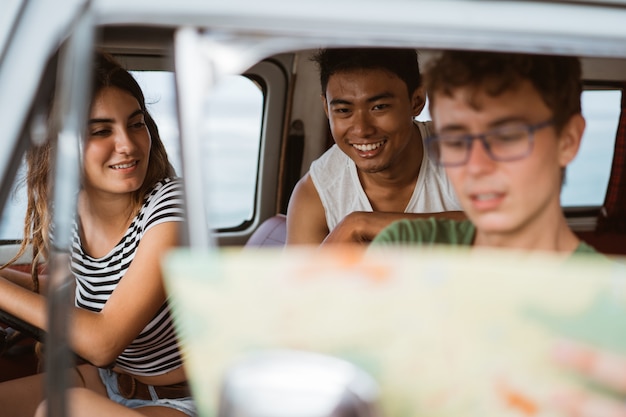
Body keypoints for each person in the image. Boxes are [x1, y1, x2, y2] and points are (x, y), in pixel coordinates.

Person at [0, 52, 194, 417]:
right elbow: (58, 297)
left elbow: (104, 341)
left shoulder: (172, 206)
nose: (128, 144)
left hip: (187, 398)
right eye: (101, 131)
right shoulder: (68, 214)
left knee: (61, 409)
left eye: (136, 124)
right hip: (106, 381)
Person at [372, 50, 595, 254]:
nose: (476, 166)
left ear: (568, 141)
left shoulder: (611, 290)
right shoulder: (401, 247)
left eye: (506, 137)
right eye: (456, 142)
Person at [286, 48, 463, 245]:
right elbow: (303, 275)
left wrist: (360, 224)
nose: (362, 130)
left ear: (417, 101)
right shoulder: (317, 192)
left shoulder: (464, 155)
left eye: (379, 107)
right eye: (344, 110)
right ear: (327, 108)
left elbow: (501, 233)